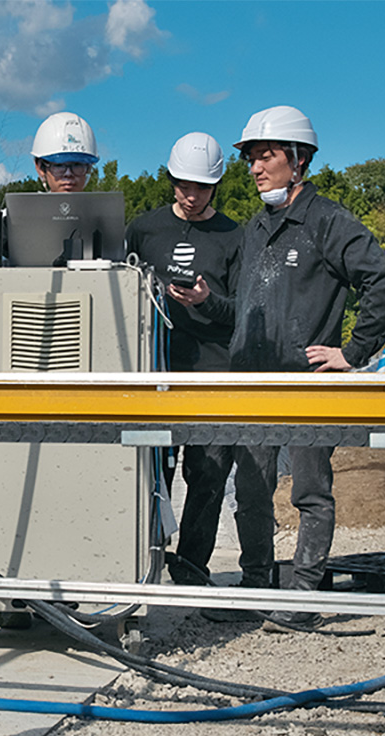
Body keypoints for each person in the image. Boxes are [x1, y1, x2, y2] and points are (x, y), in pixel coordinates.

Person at [226, 105, 385, 629]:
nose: (257, 168)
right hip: (253, 385)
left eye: (267, 156)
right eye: (252, 159)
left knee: (309, 491)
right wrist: (199, 302)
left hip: (309, 386)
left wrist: (353, 352)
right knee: (252, 491)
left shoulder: (328, 222)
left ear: (298, 160)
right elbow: (240, 309)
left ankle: (303, 594)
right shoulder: (254, 229)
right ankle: (258, 583)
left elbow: (383, 284)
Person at [124, 133, 269, 617]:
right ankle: (139, 566)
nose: (192, 195)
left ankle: (190, 568)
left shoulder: (234, 237)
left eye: (202, 187)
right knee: (149, 469)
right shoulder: (143, 230)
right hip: (155, 367)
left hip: (214, 371)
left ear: (217, 186)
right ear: (171, 180)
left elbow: (246, 310)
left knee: (207, 474)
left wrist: (209, 300)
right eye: (185, 185)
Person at [0, 111, 99, 264]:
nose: (68, 174)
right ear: (40, 167)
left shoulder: (104, 220)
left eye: (77, 165)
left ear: (88, 168)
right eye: (59, 165)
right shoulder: (13, 218)